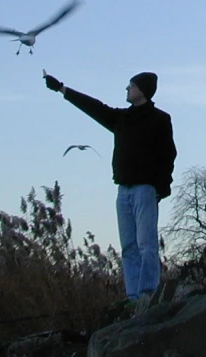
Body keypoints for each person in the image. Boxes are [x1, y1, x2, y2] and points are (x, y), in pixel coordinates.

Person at [43, 70, 177, 307]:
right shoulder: (121, 119)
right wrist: (62, 89)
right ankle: (133, 297)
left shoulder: (160, 119)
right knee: (128, 247)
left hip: (145, 190)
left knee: (147, 245)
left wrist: (161, 188)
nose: (127, 89)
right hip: (122, 191)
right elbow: (93, 107)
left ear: (142, 90)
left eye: (131, 85)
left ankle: (148, 294)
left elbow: (168, 155)